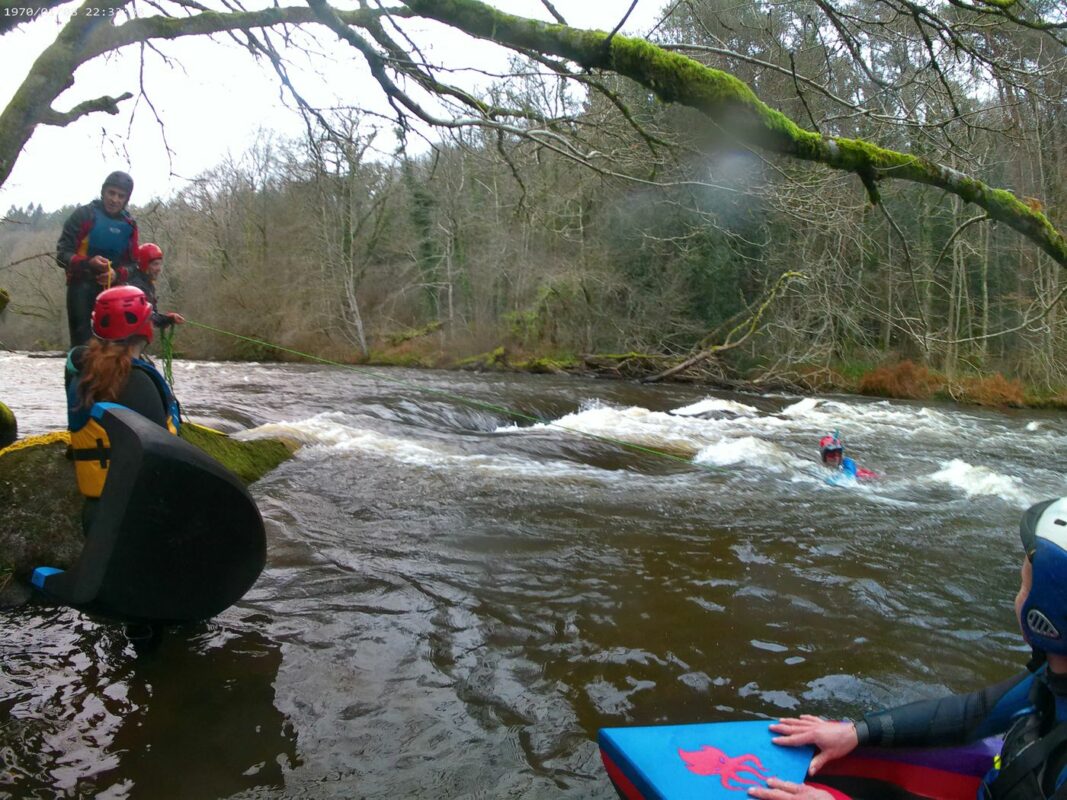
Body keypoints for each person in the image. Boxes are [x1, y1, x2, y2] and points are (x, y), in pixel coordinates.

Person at [749, 497, 1067, 800]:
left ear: (1044, 616)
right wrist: (858, 732)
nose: (1016, 596)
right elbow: (975, 713)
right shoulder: (1051, 677)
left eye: (1023, 585)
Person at [66, 285, 180, 517]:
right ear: (145, 328)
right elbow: (162, 455)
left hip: (96, 511)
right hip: (139, 510)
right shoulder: (138, 382)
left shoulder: (81, 373)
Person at [56, 171, 140, 347]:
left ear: (126, 199)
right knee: (83, 347)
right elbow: (62, 255)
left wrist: (116, 275)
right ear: (103, 192)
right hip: (81, 287)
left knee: (115, 349)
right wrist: (89, 263)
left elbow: (134, 265)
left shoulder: (130, 225)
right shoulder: (83, 216)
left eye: (120, 196)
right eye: (111, 193)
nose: (115, 199)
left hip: (115, 292)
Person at [127, 242, 186, 331]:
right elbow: (148, 317)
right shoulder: (136, 288)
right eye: (155, 264)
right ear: (144, 265)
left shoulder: (147, 284)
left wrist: (169, 318)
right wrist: (169, 319)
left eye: (159, 264)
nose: (159, 268)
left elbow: (152, 315)